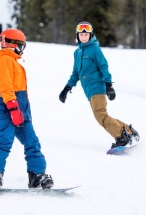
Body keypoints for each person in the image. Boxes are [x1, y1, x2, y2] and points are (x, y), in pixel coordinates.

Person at [0, 28, 53, 189]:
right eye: (21, 45)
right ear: (11, 44)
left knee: (32, 141)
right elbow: (5, 87)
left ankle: (37, 175)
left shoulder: (13, 62)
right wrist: (13, 108)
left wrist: (21, 111)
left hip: (21, 112)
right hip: (6, 110)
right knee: (5, 140)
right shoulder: (3, 60)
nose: (22, 49)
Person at [59, 21, 140, 149]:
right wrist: (67, 88)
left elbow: (103, 66)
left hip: (97, 87)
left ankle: (121, 136)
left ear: (90, 35)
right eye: (81, 34)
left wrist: (109, 85)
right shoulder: (77, 52)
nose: (84, 37)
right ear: (78, 35)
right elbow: (75, 73)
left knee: (100, 115)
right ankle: (129, 131)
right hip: (89, 91)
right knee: (102, 115)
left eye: (86, 35)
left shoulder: (94, 49)